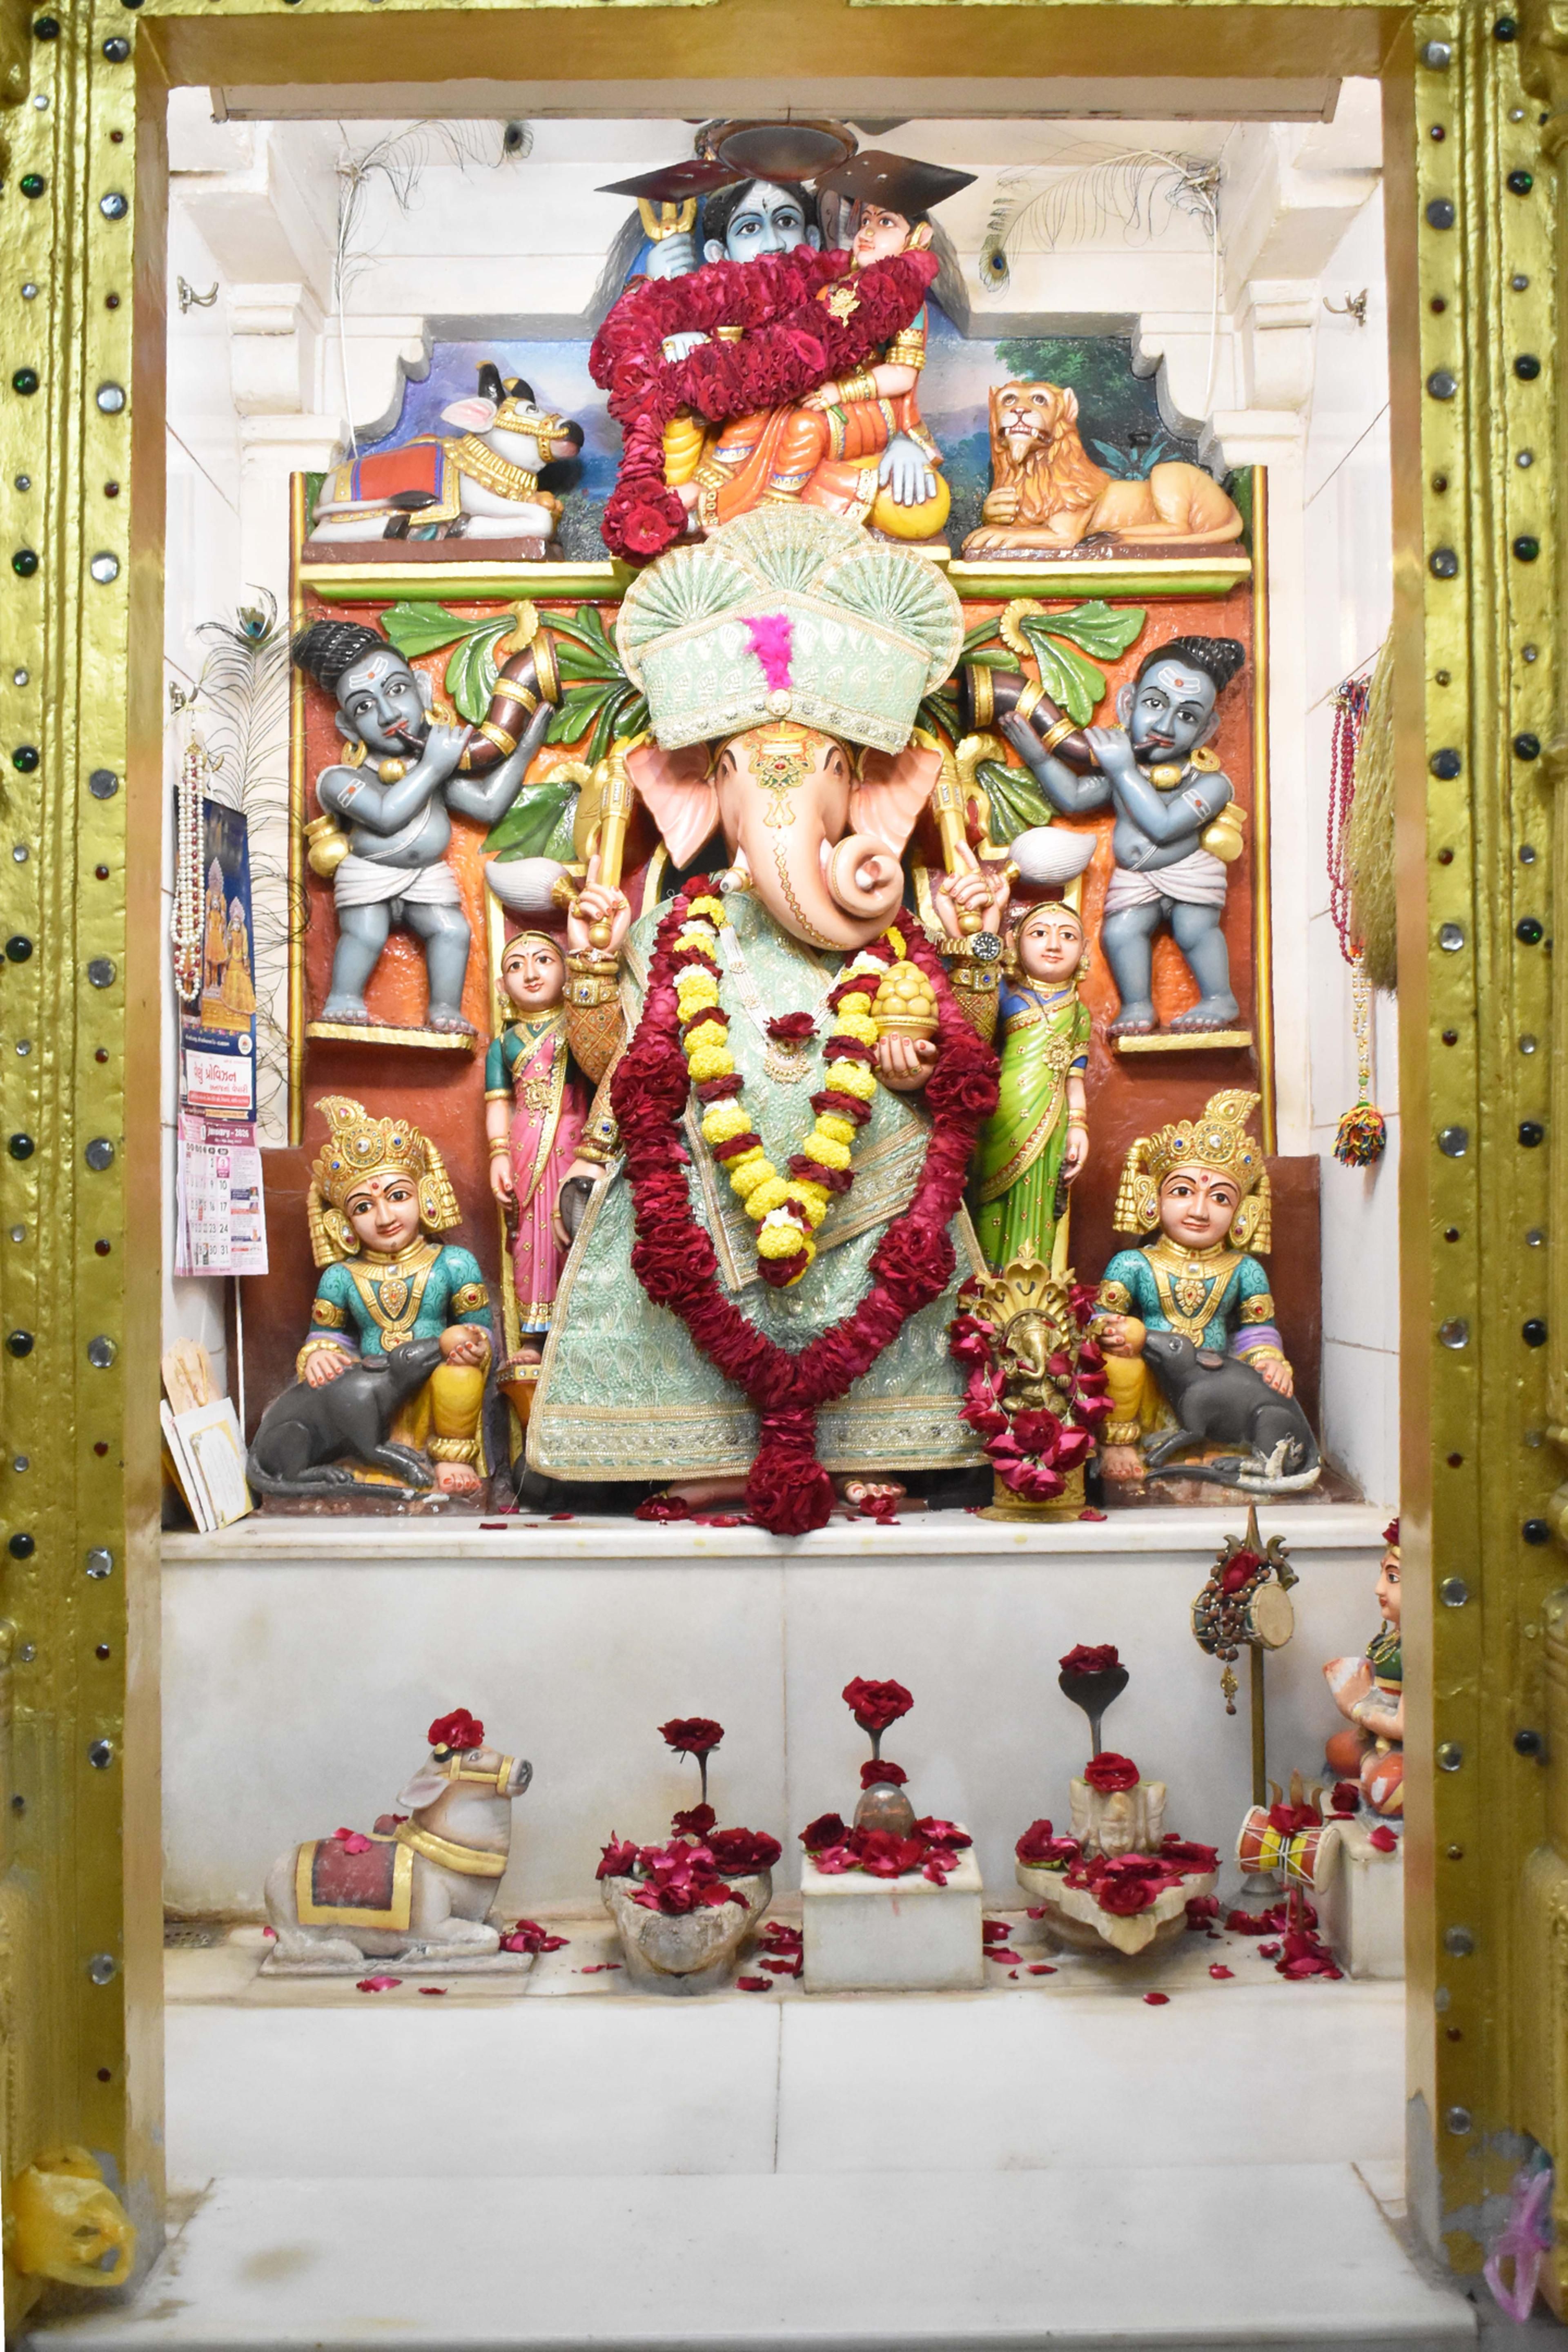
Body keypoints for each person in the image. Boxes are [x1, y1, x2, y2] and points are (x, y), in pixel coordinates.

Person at [673, 152, 969, 538]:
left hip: (865, 404)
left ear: (919, 238)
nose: (868, 233)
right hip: (816, 392)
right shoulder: (835, 288)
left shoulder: (906, 299)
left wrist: (838, 392)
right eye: (865, 222)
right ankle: (708, 495)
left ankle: (773, 514)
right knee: (757, 406)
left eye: (885, 223)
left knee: (804, 425)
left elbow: (902, 376)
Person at [292, 621, 549, 1032]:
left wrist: (526, 749)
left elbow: (487, 804)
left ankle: (445, 1009)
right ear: (347, 728)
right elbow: (386, 815)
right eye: (364, 707)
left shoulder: (433, 768)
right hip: (369, 874)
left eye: (396, 690)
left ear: (422, 691)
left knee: (453, 931)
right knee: (366, 933)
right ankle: (343, 997)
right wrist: (433, 766)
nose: (388, 714)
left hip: (426, 876)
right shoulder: (339, 780)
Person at [1001, 635, 1247, 1035]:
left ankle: (1220, 997)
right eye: (1155, 704)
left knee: (1194, 929)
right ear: (1128, 704)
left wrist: (1123, 770)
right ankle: (1137, 1006)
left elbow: (1163, 827)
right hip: (1135, 878)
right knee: (1119, 933)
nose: (1165, 726)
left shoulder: (1211, 783)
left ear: (1206, 730)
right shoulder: (1127, 768)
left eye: (1187, 716)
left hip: (1189, 872)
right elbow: (1074, 797)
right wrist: (1039, 758)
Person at [297, 1096, 493, 1498]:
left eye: (398, 1196)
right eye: (364, 1207)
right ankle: (362, 1457)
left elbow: (481, 1330)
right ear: (341, 1223)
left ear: (427, 1195)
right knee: (337, 1387)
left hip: (436, 1381)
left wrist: (474, 1344)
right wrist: (319, 1355)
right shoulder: (340, 1277)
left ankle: (451, 1456)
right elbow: (326, 1336)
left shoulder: (453, 1264)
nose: (385, 1218)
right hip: (371, 1388)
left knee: (459, 1374)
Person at [1092, 1089, 1290, 1481]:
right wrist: (1110, 1332)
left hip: (1217, 1382)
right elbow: (1099, 1321)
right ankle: (1119, 1442)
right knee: (1118, 1361)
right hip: (1150, 1383)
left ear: (1243, 1213)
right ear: (1152, 1198)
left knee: (1268, 1380)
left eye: (1220, 1199)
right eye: (1182, 1192)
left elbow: (1257, 1331)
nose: (1199, 1211)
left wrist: (1269, 1360)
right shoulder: (1133, 1264)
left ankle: (1222, 1443)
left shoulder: (1244, 1270)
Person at [483, 931, 590, 1390]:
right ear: (501, 985)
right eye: (516, 965)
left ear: (566, 971)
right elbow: (498, 1103)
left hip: (575, 1139)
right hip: (524, 1144)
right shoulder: (504, 1045)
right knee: (529, 1232)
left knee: (575, 1222)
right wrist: (497, 1154)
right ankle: (535, 1333)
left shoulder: (578, 1026)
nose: (530, 973)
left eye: (544, 960)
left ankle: (577, 1324)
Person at [972, 900, 1091, 1273]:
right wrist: (987, 927)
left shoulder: (1079, 1013)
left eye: (1068, 936)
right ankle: (985, 1286)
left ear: (1084, 949)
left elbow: (1074, 1078)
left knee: (1040, 1196)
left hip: (1051, 1119)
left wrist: (1079, 1127)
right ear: (1015, 942)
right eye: (1039, 933)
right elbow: (973, 1029)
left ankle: (1032, 1286)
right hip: (1001, 1115)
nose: (1053, 945)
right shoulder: (1007, 999)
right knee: (990, 1199)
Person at [1324, 1519, 1404, 1817]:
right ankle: (1371, 1764)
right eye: (1383, 1574)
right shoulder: (1394, 1637)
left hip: (1409, 1746)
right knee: (1336, 1750)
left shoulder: (1422, 1650)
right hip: (1379, 1738)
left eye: (1393, 1578)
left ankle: (1375, 1770)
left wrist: (1355, 1707)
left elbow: (1406, 1727)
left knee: (1388, 1789)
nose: (1378, 1588)